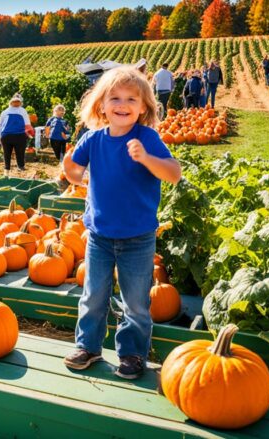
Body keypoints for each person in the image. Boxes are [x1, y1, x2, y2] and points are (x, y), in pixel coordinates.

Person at [62, 66, 181, 380]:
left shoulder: (147, 138)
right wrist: (69, 168)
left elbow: (173, 173)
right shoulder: (93, 139)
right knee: (93, 295)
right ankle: (87, 346)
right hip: (100, 235)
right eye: (114, 97)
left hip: (138, 237)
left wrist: (146, 158)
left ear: (143, 107)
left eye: (131, 98)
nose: (122, 104)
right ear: (101, 104)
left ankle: (131, 353)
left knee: (136, 302)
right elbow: (75, 174)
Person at [0, 93, 35, 176]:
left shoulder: (5, 112)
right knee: (20, 152)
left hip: (6, 135)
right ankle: (20, 167)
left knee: (7, 153)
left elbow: (0, 125)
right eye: (16, 102)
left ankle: (7, 169)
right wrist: (31, 132)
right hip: (18, 135)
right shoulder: (22, 110)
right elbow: (27, 124)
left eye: (17, 102)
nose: (17, 103)